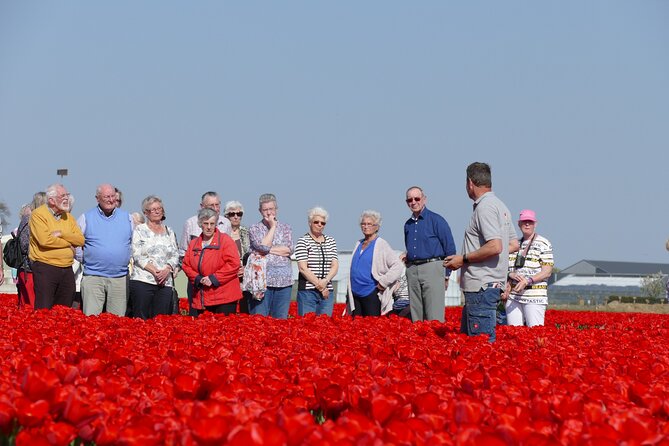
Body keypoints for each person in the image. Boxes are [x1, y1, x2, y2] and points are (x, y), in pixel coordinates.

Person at [444, 162, 519, 343]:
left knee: (480, 347)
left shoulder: (485, 208)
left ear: (470, 183)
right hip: (490, 284)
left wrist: (463, 259)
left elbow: (495, 246)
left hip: (481, 286)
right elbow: (513, 244)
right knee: (472, 344)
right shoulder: (501, 206)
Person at [76, 184, 133, 317]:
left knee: (117, 323)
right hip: (93, 277)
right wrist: (85, 259)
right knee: (91, 321)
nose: (110, 200)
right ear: (97, 198)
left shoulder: (127, 218)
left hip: (120, 278)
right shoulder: (86, 217)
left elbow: (135, 243)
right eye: (107, 196)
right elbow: (75, 243)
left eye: (113, 196)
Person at [403, 186, 456, 322]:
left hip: (433, 267)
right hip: (413, 269)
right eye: (410, 200)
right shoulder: (408, 225)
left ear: (424, 199)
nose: (413, 202)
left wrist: (446, 275)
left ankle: (435, 342)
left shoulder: (436, 220)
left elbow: (450, 249)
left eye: (417, 198)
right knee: (416, 315)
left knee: (434, 315)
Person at [29, 184, 84, 310]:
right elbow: (45, 240)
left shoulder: (68, 217)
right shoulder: (39, 215)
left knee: (64, 310)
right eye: (63, 196)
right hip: (46, 267)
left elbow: (80, 240)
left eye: (67, 195)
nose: (67, 199)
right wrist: (68, 243)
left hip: (66, 268)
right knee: (44, 309)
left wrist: (62, 234)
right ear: (51, 200)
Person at [180, 191, 231, 316]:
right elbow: (183, 253)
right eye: (210, 206)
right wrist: (198, 277)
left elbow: (230, 256)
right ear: (202, 206)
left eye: (217, 205)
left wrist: (214, 277)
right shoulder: (190, 223)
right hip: (197, 282)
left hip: (219, 282)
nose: (215, 209)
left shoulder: (226, 223)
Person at [129, 195, 179, 319]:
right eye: (153, 209)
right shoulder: (140, 230)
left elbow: (175, 254)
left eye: (159, 208)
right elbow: (137, 254)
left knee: (161, 321)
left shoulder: (169, 231)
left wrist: (167, 269)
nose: (157, 211)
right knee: (141, 319)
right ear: (146, 213)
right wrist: (155, 272)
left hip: (165, 282)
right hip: (143, 280)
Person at [501, 209, 554, 327]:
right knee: (513, 332)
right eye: (524, 221)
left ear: (535, 224)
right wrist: (510, 275)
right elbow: (504, 266)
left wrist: (528, 280)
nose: (527, 224)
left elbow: (547, 271)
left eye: (530, 222)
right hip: (514, 295)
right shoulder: (514, 244)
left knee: (534, 331)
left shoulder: (544, 243)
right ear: (519, 224)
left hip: (534, 296)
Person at [347, 210, 403, 317]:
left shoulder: (381, 244)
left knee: (371, 327)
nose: (366, 226)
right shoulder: (358, 243)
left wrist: (383, 283)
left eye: (369, 224)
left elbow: (398, 266)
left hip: (371, 292)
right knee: (355, 328)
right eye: (363, 224)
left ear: (376, 227)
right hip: (355, 294)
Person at [248, 193, 293, 318]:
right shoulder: (254, 228)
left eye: (271, 209)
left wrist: (267, 249)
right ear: (260, 211)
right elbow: (262, 247)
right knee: (260, 321)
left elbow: (289, 249)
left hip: (284, 282)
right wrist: (273, 227)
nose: (269, 213)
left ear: (276, 209)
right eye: (265, 210)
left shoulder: (286, 228)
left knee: (280, 323)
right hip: (262, 283)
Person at [294, 207, 339, 317]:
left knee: (325, 327)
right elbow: (303, 268)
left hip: (327, 292)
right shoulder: (303, 241)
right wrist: (321, 286)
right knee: (307, 326)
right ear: (310, 223)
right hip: (308, 292)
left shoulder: (331, 241)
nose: (320, 225)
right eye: (316, 222)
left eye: (323, 223)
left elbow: (335, 266)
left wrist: (326, 281)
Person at [16, 193, 47, 308]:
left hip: (36, 269)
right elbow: (24, 245)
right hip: (29, 269)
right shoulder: (28, 220)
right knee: (31, 305)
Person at [224, 201, 252, 314]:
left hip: (244, 278)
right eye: (232, 214)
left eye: (239, 214)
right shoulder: (221, 233)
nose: (236, 217)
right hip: (227, 278)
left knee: (245, 312)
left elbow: (253, 254)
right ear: (226, 216)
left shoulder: (247, 232)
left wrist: (246, 268)